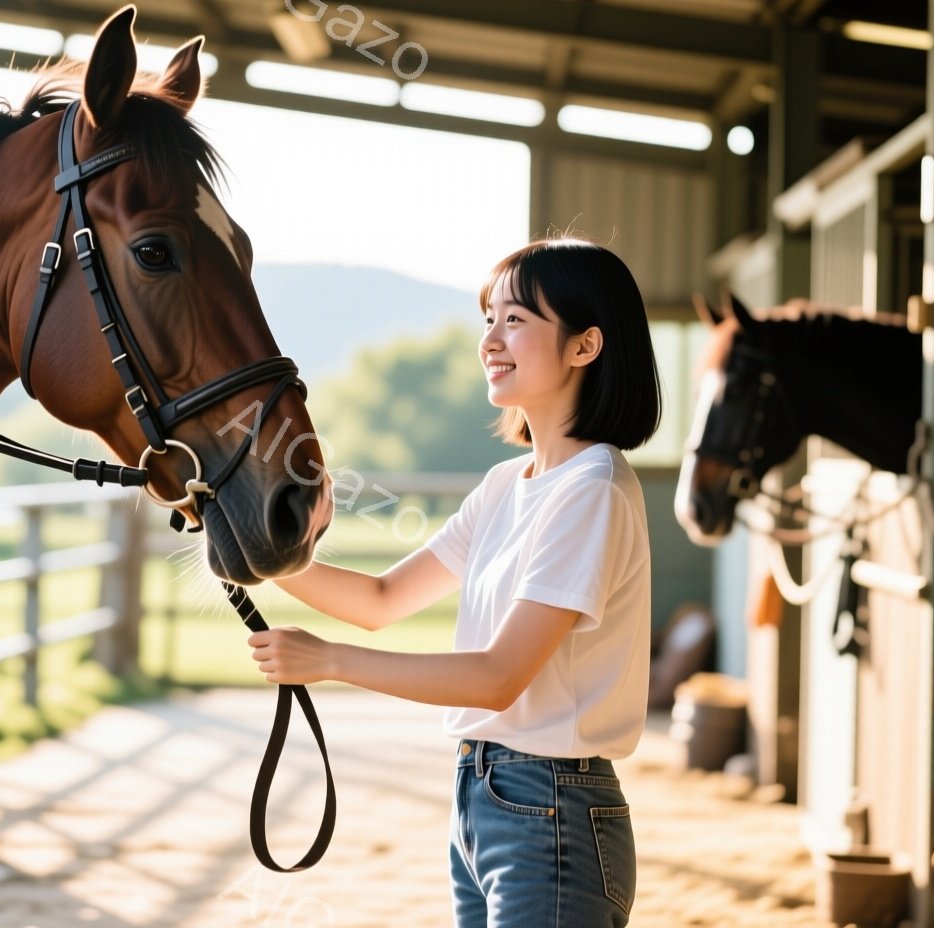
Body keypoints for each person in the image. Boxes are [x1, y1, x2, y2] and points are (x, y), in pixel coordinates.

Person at [248, 237, 662, 927]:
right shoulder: (506, 484)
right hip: (483, 796)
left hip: (552, 808)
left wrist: (329, 661)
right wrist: (259, 552)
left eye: (516, 320)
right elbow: (382, 600)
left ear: (584, 346)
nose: (490, 341)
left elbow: (498, 677)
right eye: (488, 319)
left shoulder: (592, 489)